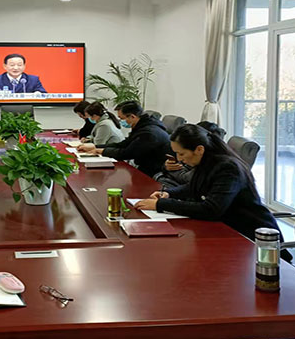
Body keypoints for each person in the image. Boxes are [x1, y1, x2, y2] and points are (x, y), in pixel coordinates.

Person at [135, 124, 281, 242]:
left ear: (199, 149)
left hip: (252, 236)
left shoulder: (228, 168)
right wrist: (168, 193)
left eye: (181, 153)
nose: (179, 159)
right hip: (224, 228)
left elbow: (211, 209)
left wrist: (160, 204)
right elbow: (195, 186)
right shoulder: (206, 161)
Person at [77, 100, 171, 177]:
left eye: (122, 119)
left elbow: (127, 153)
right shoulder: (142, 126)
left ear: (132, 116)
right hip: (144, 167)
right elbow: (123, 144)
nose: (120, 121)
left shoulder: (149, 133)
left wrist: (102, 151)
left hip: (153, 171)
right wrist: (96, 147)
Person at [154, 121, 226, 188]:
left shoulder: (216, 166)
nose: (179, 158)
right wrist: (167, 167)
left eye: (181, 154)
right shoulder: (192, 154)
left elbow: (187, 179)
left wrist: (167, 173)